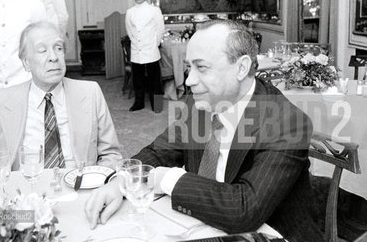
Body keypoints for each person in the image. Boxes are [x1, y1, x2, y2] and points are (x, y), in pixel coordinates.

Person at [84, 20, 325, 242]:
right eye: (189, 68)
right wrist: (120, 182)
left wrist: (165, 178)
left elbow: (245, 209)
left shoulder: (288, 121)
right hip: (205, 224)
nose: (189, 81)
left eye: (202, 68)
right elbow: (159, 152)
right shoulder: (200, 101)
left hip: (270, 234)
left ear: (241, 68)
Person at [0, 22, 122, 180]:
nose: (54, 57)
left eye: (58, 48)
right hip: (25, 192)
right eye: (42, 50)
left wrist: (93, 186)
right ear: (26, 63)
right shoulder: (0, 102)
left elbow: (111, 155)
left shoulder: (90, 93)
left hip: (81, 190)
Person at [125, 0, 165, 112]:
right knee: (138, 79)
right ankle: (139, 102)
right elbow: (129, 30)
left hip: (151, 49)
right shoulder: (130, 12)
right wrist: (136, 43)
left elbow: (160, 29)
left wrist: (155, 44)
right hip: (137, 49)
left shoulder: (154, 10)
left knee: (155, 80)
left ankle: (157, 105)